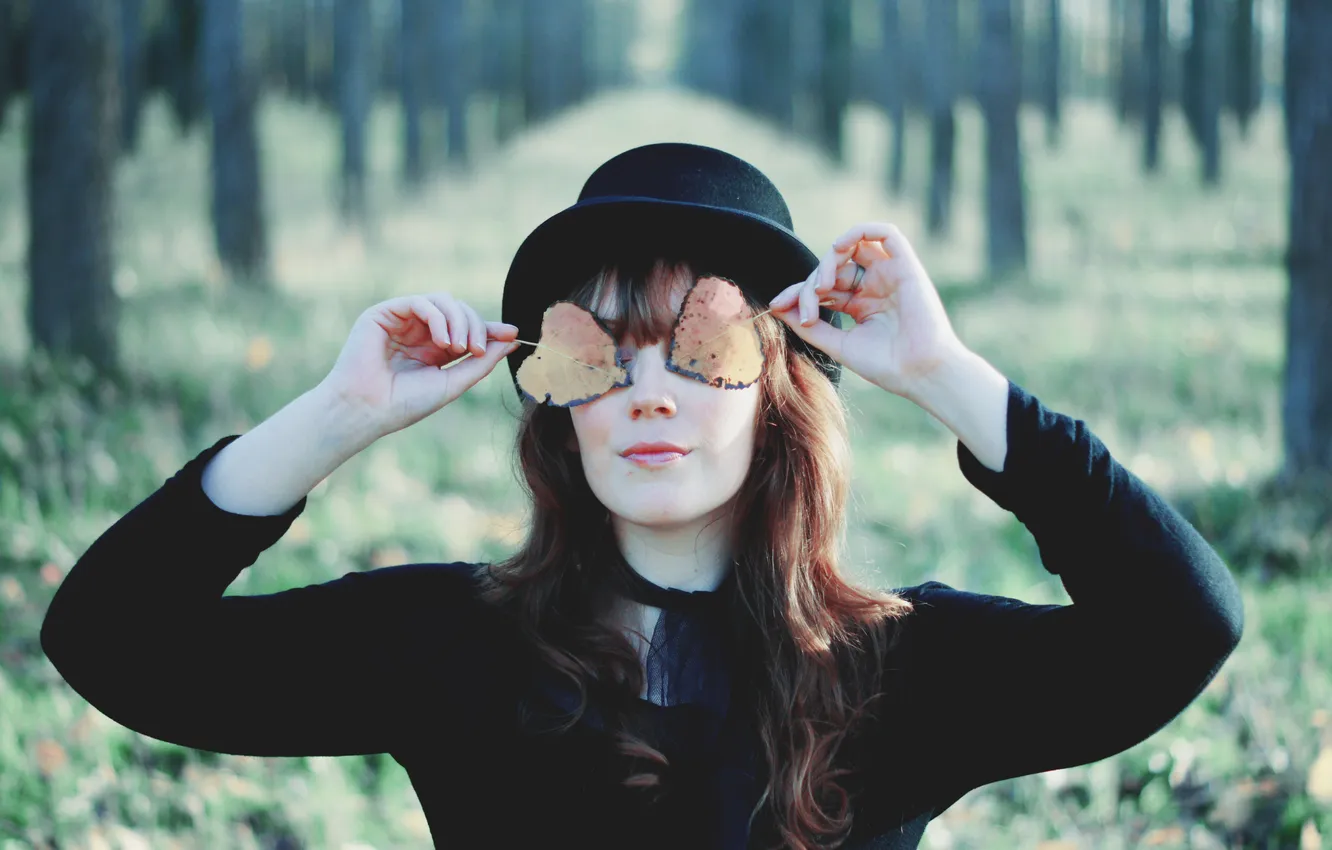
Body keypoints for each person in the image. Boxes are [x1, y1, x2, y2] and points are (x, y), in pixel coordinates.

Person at [40, 143, 1245, 850]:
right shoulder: (452, 646)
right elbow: (110, 641)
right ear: (557, 402)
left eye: (704, 347)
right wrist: (336, 415)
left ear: (777, 394)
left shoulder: (896, 671)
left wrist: (944, 375)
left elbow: (1183, 626)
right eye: (599, 352)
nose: (648, 394)